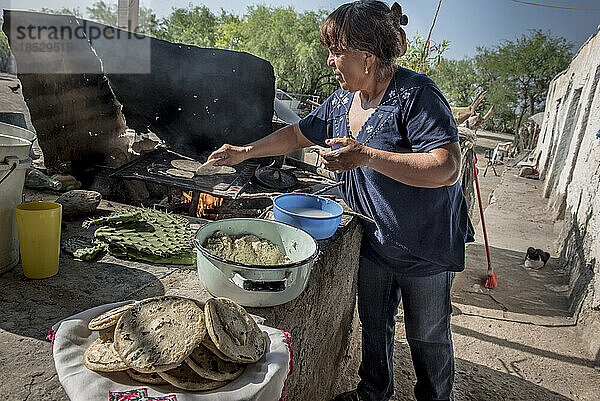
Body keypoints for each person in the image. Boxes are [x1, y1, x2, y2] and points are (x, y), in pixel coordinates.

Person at [206, 1, 474, 400]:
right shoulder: (341, 102)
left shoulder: (416, 95)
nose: (330, 61)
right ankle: (373, 393)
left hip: (425, 245)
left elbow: (445, 167)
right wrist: (245, 152)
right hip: (375, 238)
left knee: (427, 336)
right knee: (375, 323)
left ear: (366, 58)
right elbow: (297, 135)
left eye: (336, 52)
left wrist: (364, 155)